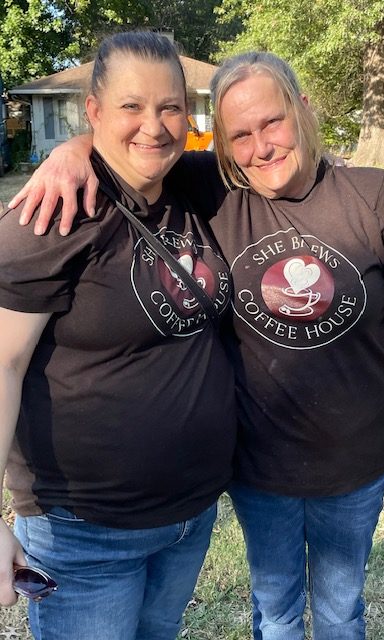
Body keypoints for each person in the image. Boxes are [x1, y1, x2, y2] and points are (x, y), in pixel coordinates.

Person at [11, 51, 384, 640]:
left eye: (272, 122)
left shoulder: (374, 196)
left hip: (356, 461)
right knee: (275, 614)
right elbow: (130, 151)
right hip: (258, 467)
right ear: (225, 147)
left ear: (303, 110)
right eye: (241, 135)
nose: (262, 147)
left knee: (341, 612)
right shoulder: (215, 191)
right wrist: (69, 152)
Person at [0, 31, 237, 640]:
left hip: (191, 515)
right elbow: (2, 364)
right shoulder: (50, 217)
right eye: (131, 106)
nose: (153, 126)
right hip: (83, 530)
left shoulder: (192, 185)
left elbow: (270, 151)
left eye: (170, 107)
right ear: (95, 111)